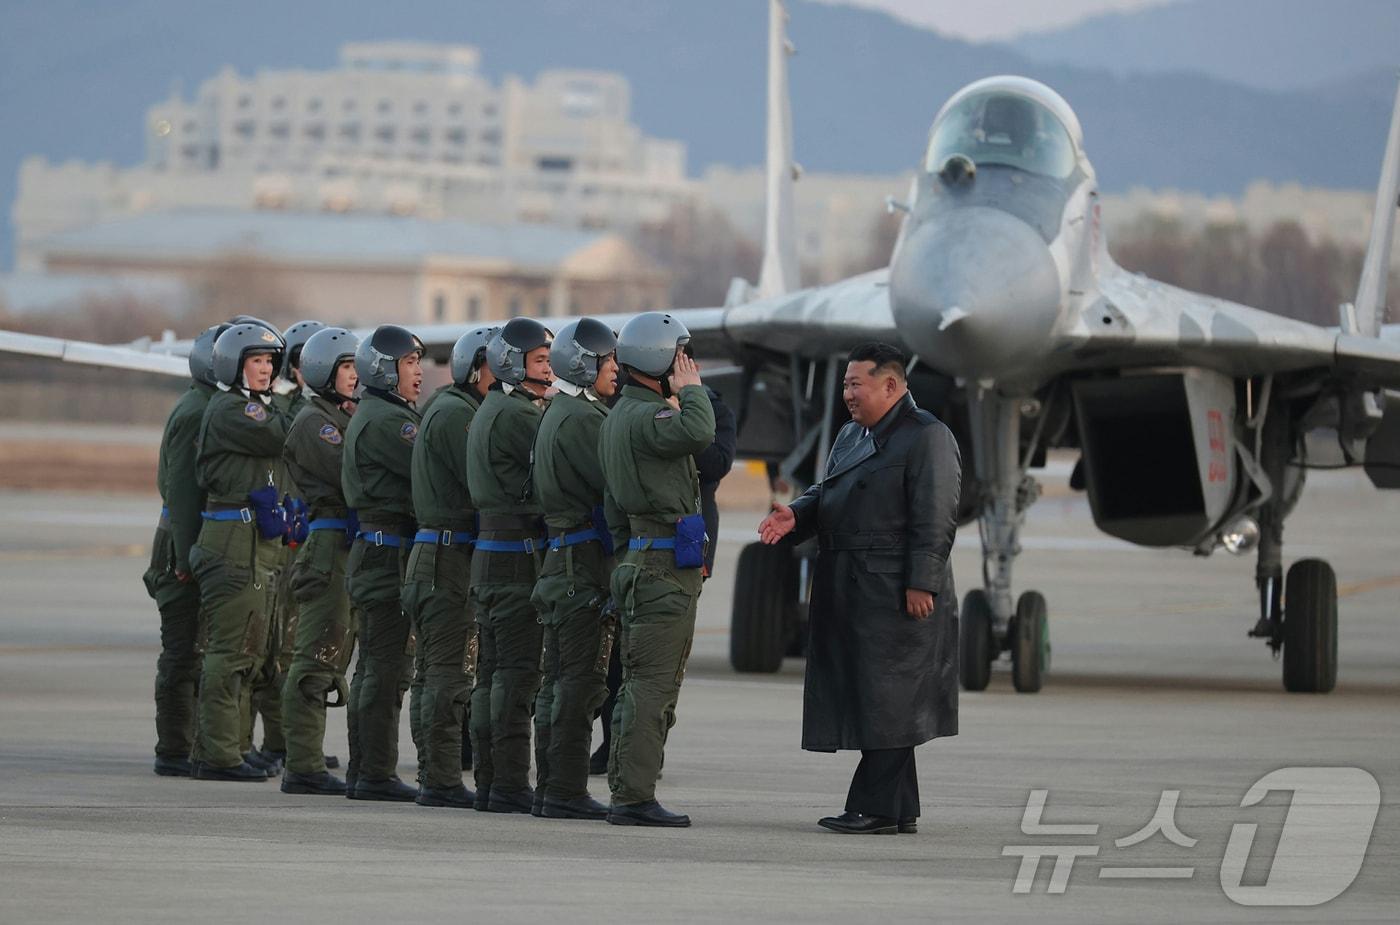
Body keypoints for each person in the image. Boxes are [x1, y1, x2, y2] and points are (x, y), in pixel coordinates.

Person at [758, 342, 961, 835]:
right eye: (845, 384)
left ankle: (872, 807)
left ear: (890, 386)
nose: (847, 394)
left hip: (894, 588)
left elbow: (937, 516)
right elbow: (830, 491)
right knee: (880, 695)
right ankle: (899, 809)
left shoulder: (927, 435)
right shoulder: (852, 434)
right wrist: (797, 514)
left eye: (856, 385)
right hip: (853, 586)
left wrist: (923, 582)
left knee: (889, 697)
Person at [597, 312, 714, 827]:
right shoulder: (649, 417)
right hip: (663, 569)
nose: (687, 365)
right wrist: (693, 392)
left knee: (638, 684)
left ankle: (628, 788)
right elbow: (700, 432)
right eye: (679, 356)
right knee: (652, 687)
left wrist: (631, 554)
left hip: (642, 558)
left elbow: (613, 509)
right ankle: (633, 797)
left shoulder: (618, 416)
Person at [589, 382, 735, 776]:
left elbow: (716, 463)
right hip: (642, 546)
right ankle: (623, 751)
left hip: (686, 543)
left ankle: (646, 753)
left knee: (662, 661)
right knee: (629, 660)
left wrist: (687, 413)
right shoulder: (635, 410)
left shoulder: (710, 409)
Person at [188, 322, 293, 782]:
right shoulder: (233, 409)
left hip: (252, 541)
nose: (267, 369)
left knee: (250, 653)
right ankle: (217, 755)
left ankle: (231, 746)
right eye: (257, 361)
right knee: (230, 653)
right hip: (232, 543)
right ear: (234, 365)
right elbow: (283, 435)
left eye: (270, 361)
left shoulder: (255, 406)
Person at [401, 326, 496, 809]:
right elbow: (484, 481)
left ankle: (433, 773)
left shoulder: (450, 407)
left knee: (431, 674)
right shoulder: (458, 414)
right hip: (447, 559)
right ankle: (439, 779)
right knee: (448, 676)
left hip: (436, 555)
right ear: (476, 369)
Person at [530, 318, 620, 820]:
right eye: (608, 361)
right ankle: (565, 788)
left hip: (561, 558)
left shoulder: (557, 411)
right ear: (585, 365)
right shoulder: (584, 420)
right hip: (580, 564)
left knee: (557, 680)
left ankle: (552, 785)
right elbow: (616, 484)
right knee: (579, 682)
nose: (616, 370)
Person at [465, 317, 553, 814]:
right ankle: (511, 784)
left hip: (489, 553)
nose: (551, 369)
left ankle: (489, 781)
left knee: (490, 676)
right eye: (540, 361)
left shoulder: (490, 407)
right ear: (513, 364)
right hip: (516, 557)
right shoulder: (520, 415)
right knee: (516, 678)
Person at [341, 324, 424, 802]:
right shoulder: (389, 422)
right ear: (384, 370)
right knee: (386, 667)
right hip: (386, 553)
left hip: (378, 548)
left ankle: (366, 769)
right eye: (409, 363)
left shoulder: (378, 413)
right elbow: (430, 469)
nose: (418, 372)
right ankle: (374, 772)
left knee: (376, 665)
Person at [143, 322, 226, 777]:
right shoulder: (198, 411)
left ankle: (196, 743)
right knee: (182, 653)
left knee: (202, 649)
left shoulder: (210, 406)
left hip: (192, 540)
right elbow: (180, 491)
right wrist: (185, 553)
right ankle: (174, 748)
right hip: (182, 543)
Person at [278, 327, 359, 795]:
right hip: (327, 547)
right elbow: (353, 474)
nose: (355, 376)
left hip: (346, 545)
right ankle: (303, 765)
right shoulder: (315, 423)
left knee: (334, 655)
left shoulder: (340, 416)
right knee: (315, 658)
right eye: (346, 368)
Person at [246, 318, 328, 774]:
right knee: (275, 648)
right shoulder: (284, 411)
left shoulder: (310, 408)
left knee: (296, 646)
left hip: (303, 534)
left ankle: (291, 742)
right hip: (284, 538)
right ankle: (275, 742)